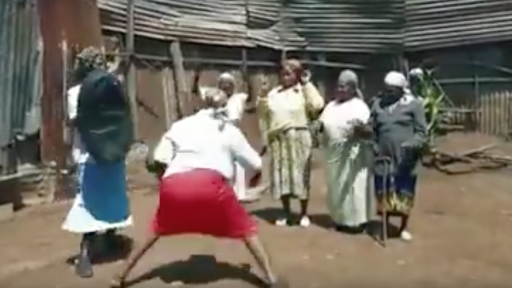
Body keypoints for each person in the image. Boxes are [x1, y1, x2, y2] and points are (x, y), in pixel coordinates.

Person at [110, 88, 285, 288]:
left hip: (174, 185)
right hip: (211, 187)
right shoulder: (228, 130)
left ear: (200, 104)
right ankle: (271, 278)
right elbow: (255, 163)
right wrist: (254, 178)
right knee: (246, 229)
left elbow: (159, 157)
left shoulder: (181, 125)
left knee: (155, 229)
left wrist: (170, 178)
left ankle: (119, 276)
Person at [62, 47, 133, 278]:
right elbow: (122, 116)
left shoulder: (75, 92)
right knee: (110, 196)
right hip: (111, 152)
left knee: (90, 201)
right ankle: (94, 249)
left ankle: (90, 253)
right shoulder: (114, 87)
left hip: (88, 153)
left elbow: (75, 122)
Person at [258, 59, 325, 227]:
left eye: (289, 73)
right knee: (282, 176)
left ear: (297, 75)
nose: (285, 76)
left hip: (299, 137)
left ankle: (303, 213)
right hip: (279, 140)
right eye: (283, 72)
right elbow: (264, 112)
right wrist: (263, 95)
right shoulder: (274, 93)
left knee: (301, 175)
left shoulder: (303, 92)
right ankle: (285, 211)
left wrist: (306, 84)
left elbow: (317, 105)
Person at [371, 71, 427, 242]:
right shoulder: (377, 105)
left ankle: (403, 226)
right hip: (384, 156)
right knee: (384, 190)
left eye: (392, 90)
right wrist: (374, 146)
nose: (388, 93)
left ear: (401, 90)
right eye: (386, 89)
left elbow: (422, 132)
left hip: (405, 158)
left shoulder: (414, 105)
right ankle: (385, 224)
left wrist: (412, 144)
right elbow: (372, 129)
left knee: (404, 191)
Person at [192, 72, 260, 203]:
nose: (226, 87)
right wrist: (196, 76)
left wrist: (249, 79)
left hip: (234, 132)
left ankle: (239, 192)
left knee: (241, 162)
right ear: (219, 85)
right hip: (217, 132)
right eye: (223, 84)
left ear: (233, 86)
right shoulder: (214, 97)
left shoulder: (239, 98)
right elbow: (196, 91)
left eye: (229, 84)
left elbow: (252, 98)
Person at [319, 69, 372, 233]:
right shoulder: (330, 106)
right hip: (334, 154)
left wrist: (357, 130)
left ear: (352, 88)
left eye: (344, 87)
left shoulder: (359, 106)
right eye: (338, 86)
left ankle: (358, 223)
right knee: (336, 187)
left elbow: (365, 129)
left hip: (353, 155)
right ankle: (340, 219)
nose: (340, 90)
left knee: (354, 187)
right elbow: (322, 124)